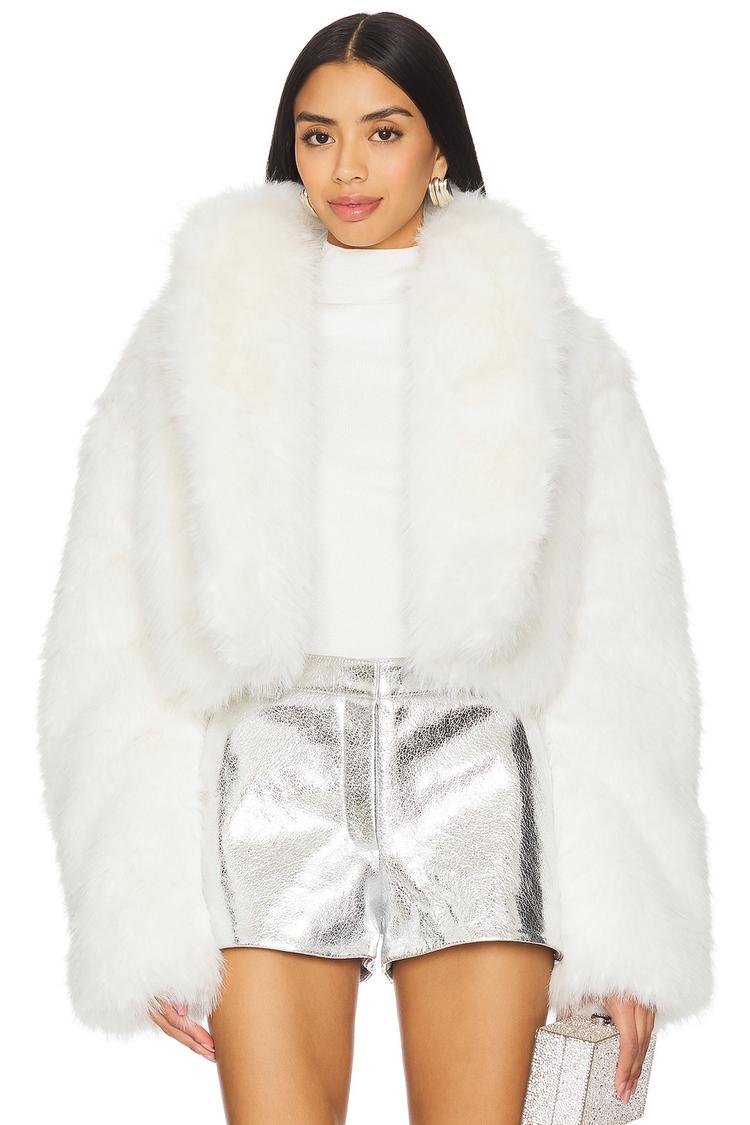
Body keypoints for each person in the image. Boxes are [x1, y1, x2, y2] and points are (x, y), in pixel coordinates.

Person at [36, 11, 713, 1125]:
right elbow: (112, 627)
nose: (347, 167)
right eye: (318, 135)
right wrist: (136, 901)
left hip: (475, 764)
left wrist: (626, 933)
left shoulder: (549, 340)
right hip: (273, 763)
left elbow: (620, 637)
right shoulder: (194, 337)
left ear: (439, 145)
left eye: (384, 132)